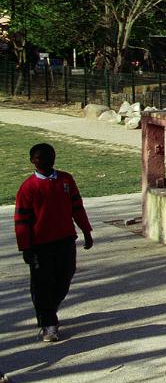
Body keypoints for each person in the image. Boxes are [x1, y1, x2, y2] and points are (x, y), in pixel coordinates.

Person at [14, 143, 93, 342]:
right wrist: (26, 247)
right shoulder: (28, 188)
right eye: (41, 158)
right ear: (32, 161)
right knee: (42, 283)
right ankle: (48, 323)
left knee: (65, 276)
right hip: (40, 245)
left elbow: (77, 207)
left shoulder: (66, 180)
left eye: (50, 155)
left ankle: (49, 308)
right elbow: (22, 220)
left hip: (65, 239)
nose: (47, 160)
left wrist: (86, 230)